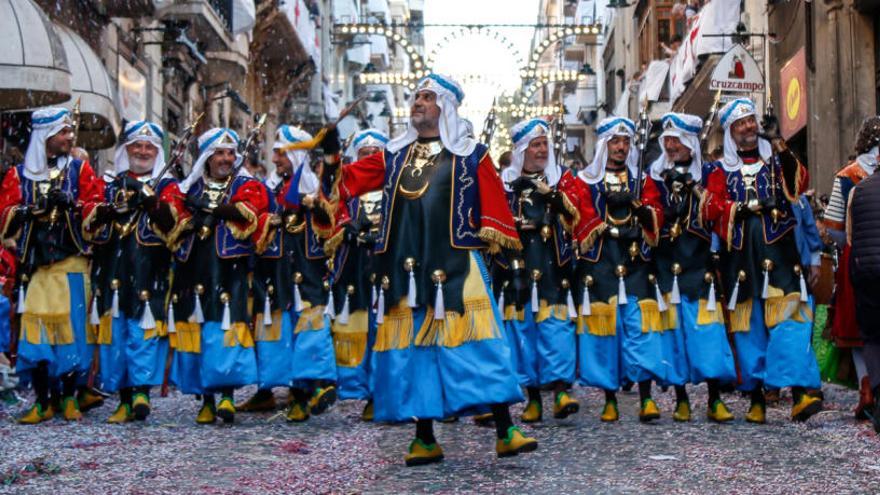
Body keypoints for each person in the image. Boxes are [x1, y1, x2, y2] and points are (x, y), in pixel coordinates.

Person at [317, 74, 538, 466]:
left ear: (446, 107)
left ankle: (505, 430)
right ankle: (424, 438)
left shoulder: (472, 155)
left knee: (480, 345)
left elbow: (497, 211)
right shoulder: (393, 155)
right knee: (415, 350)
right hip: (405, 266)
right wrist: (332, 158)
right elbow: (345, 184)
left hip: (458, 263)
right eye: (416, 97)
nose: (418, 102)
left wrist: (513, 264)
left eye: (427, 97)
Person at [702, 98, 822, 423]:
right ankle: (756, 398)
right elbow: (709, 208)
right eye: (741, 123)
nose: (749, 127)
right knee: (749, 328)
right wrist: (741, 209)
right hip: (741, 259)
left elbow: (799, 183)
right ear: (731, 131)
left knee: (791, 324)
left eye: (751, 121)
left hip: (781, 256)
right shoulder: (718, 170)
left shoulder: (775, 161)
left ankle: (798, 393)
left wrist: (779, 141)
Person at [0, 107, 104, 423]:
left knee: (72, 333)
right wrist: (28, 212)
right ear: (45, 136)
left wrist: (74, 207)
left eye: (70, 132)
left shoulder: (80, 170)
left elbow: (96, 210)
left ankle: (70, 397)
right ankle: (44, 401)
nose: (69, 137)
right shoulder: (18, 175)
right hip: (36, 267)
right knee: (38, 335)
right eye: (63, 132)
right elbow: (5, 218)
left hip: (70, 265)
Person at [89, 120, 188, 423]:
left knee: (143, 333)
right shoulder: (111, 184)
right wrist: (107, 210)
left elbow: (175, 226)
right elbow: (91, 222)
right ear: (127, 149)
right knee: (116, 334)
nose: (142, 151)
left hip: (149, 271)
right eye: (137, 145)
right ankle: (123, 398)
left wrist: (152, 203)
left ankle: (142, 391)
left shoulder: (168, 187)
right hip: (114, 270)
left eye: (149, 147)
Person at [238, 125, 339, 422]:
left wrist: (312, 205)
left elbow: (327, 223)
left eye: (281, 153)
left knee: (310, 332)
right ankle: (295, 394)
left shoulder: (311, 187)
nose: (276, 158)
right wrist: (271, 221)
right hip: (277, 275)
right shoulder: (272, 189)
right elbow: (259, 231)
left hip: (307, 275)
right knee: (283, 336)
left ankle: (317, 386)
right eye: (276, 153)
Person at [496, 117, 593, 423]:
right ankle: (533, 397)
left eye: (544, 144)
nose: (541, 150)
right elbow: (493, 225)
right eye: (535, 145)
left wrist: (549, 193)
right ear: (522, 149)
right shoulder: (505, 185)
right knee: (524, 333)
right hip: (519, 267)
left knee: (557, 329)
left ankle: (562, 390)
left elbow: (578, 210)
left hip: (554, 267)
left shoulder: (561, 178)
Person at [170, 127, 267, 424]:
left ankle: (226, 395)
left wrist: (215, 208)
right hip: (194, 266)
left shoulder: (245, 184)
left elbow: (250, 209)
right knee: (199, 330)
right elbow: (173, 213)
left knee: (225, 331)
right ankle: (206, 400)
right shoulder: (190, 186)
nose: (226, 158)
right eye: (219, 153)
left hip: (229, 269)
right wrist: (187, 212)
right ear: (207, 157)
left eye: (230, 153)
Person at [572, 116, 666, 422]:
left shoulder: (642, 179)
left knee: (641, 329)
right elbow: (579, 216)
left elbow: (656, 211)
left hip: (636, 262)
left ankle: (646, 397)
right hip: (601, 263)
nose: (621, 147)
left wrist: (639, 208)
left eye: (626, 142)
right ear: (604, 145)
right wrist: (603, 224)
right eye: (615, 141)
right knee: (605, 332)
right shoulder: (587, 180)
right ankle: (609, 398)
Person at [647, 112, 737, 422]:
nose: (670, 146)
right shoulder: (654, 177)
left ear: (689, 143)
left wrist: (693, 189)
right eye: (667, 140)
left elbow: (718, 209)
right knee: (673, 334)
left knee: (708, 334)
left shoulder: (709, 173)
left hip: (699, 266)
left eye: (676, 140)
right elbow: (651, 214)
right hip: (666, 267)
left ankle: (714, 398)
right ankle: (681, 398)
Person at [821, 116, 880, 419]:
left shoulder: (847, 175)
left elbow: (834, 229)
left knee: (857, 327)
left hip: (854, 258)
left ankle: (866, 387)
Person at [330, 129, 389, 421]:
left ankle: (380, 393)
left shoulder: (395, 187)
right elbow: (331, 214)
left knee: (383, 330)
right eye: (364, 153)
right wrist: (346, 226)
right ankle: (355, 387)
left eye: (375, 152)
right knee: (353, 327)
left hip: (385, 268)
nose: (370, 158)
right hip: (353, 266)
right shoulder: (347, 189)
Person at [846, 146, 880, 433]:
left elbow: (847, 235)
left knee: (872, 336)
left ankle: (877, 394)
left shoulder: (858, 189)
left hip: (867, 273)